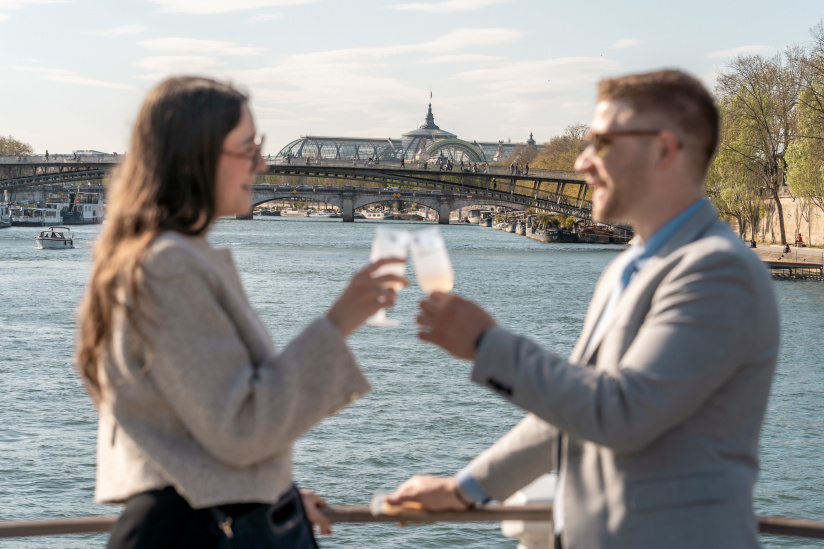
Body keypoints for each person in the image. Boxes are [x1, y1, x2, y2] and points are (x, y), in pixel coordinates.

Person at [388, 70, 779, 549]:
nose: (582, 162)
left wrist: (488, 344)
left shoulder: (719, 273)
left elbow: (622, 413)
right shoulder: (630, 267)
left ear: (664, 149)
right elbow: (570, 415)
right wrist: (465, 488)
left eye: (601, 143)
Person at [75, 76, 408, 549]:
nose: (264, 162)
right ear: (198, 157)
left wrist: (271, 496)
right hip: (193, 534)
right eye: (249, 148)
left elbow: (195, 422)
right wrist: (338, 323)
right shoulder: (169, 267)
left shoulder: (165, 258)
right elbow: (242, 427)